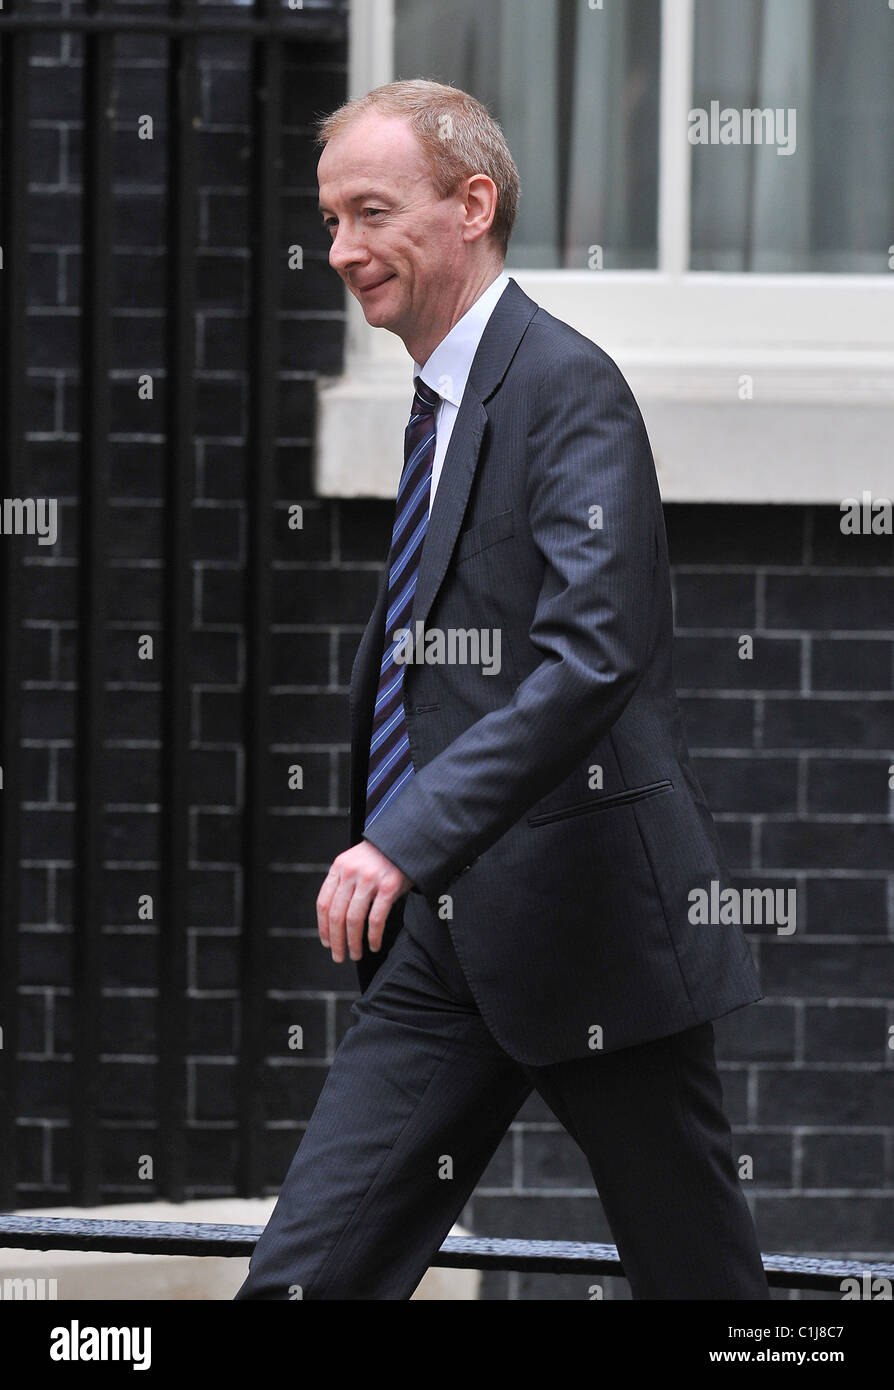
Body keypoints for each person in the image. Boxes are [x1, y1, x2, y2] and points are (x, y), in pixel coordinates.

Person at [234, 78, 770, 1301]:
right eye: (330, 221)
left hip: (592, 932)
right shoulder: (444, 399)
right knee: (303, 1279)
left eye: (371, 212)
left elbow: (590, 652)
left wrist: (399, 840)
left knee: (709, 1296)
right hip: (446, 946)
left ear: (472, 204)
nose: (342, 251)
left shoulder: (563, 385)